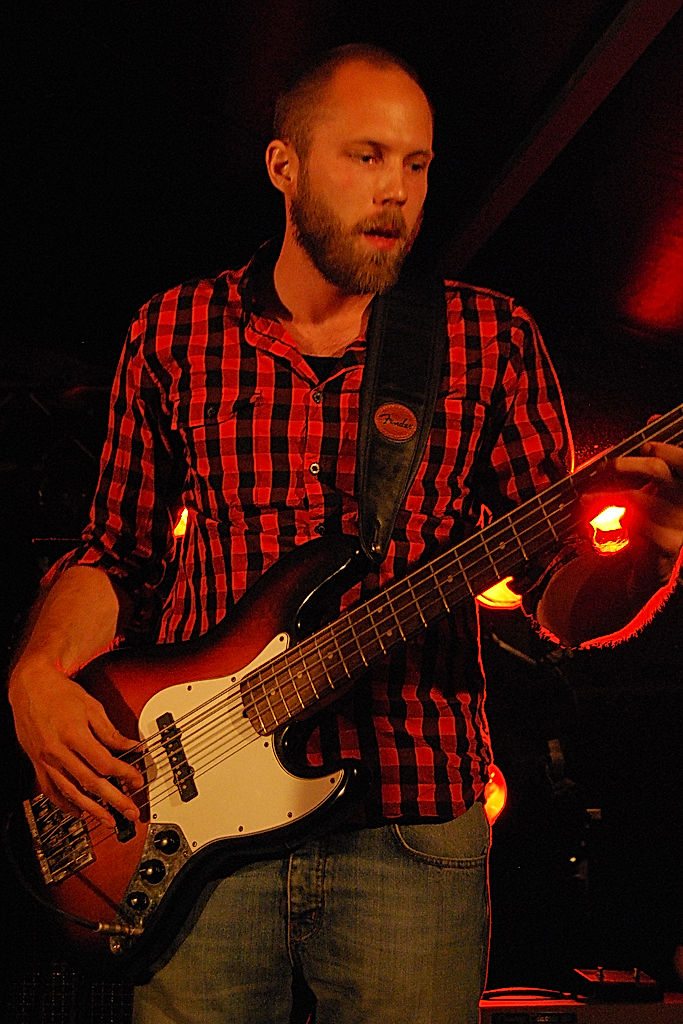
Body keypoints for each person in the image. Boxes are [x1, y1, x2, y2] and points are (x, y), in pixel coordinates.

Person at [7, 44, 683, 1024]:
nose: (395, 191)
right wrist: (35, 674)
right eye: (366, 156)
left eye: (416, 164)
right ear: (283, 165)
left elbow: (557, 602)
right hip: (190, 813)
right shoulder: (174, 331)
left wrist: (652, 551)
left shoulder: (488, 338)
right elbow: (114, 552)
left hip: (411, 825)